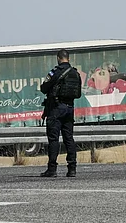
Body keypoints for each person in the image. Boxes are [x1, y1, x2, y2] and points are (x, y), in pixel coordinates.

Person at [40, 49, 82, 177]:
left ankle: (52, 169)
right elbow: (78, 93)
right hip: (70, 109)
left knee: (53, 139)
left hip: (56, 109)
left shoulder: (55, 72)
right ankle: (72, 169)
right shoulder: (75, 73)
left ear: (58, 58)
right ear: (68, 58)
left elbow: (43, 88)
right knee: (68, 138)